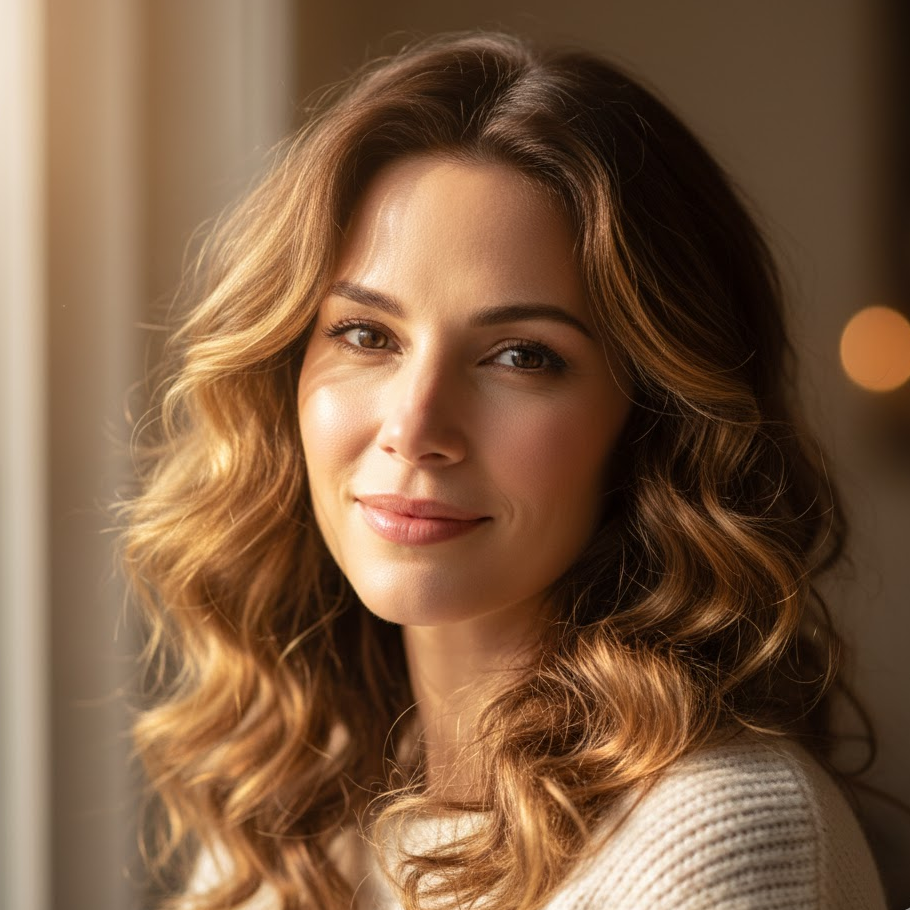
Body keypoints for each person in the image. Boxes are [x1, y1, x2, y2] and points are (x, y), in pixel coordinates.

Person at [122, 31, 888, 910]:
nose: (414, 428)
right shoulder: (293, 804)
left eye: (522, 356)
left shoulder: (718, 841)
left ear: (655, 420)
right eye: (366, 335)